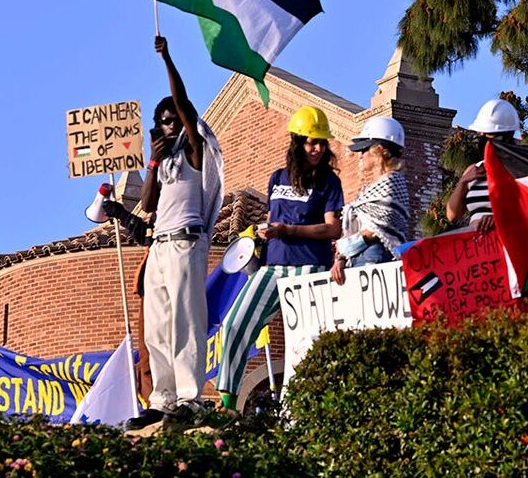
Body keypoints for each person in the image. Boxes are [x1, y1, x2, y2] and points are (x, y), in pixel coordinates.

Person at [215, 106, 344, 412]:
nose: (317, 148)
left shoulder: (329, 182)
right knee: (234, 324)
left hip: (310, 266)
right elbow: (273, 218)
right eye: (311, 142)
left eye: (321, 143)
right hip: (272, 265)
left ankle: (314, 407)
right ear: (297, 143)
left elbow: (333, 228)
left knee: (308, 339)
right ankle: (227, 403)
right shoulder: (277, 177)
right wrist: (262, 235)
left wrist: (290, 229)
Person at [127, 35, 225, 430]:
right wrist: (151, 160)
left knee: (185, 319)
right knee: (157, 324)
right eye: (164, 121)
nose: (171, 125)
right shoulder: (164, 164)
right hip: (160, 245)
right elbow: (147, 205)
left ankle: (190, 395)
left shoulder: (196, 152)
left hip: (186, 241)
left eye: (174, 120)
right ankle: (162, 397)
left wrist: (168, 59)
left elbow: (183, 104)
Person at [332, 117, 410, 285]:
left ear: (379, 151)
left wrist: (348, 244)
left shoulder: (392, 182)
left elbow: (380, 227)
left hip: (376, 257)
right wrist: (341, 258)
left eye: (364, 150)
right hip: (356, 259)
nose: (360, 155)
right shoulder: (368, 189)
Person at [446, 99, 520, 232]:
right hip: (478, 247)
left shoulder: (518, 168)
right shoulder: (475, 170)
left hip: (508, 242)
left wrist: (498, 218)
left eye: (488, 135)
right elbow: (452, 215)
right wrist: (463, 181)